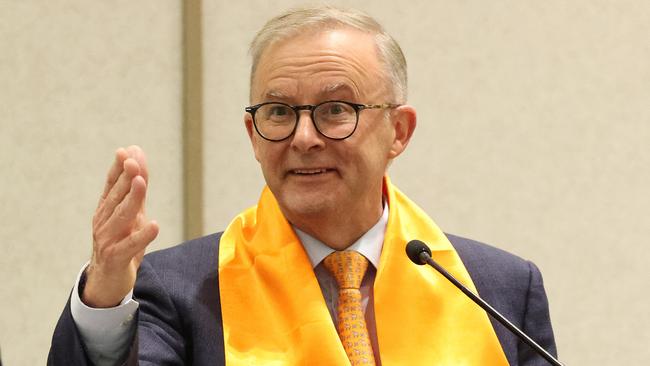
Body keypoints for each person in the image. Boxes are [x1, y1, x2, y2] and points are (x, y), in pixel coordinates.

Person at [48, 5, 557, 366]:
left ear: (398, 132)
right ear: (253, 134)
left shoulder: (498, 289)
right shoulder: (183, 289)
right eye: (279, 112)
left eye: (336, 110)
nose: (304, 137)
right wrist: (106, 297)